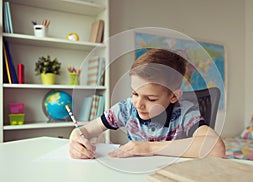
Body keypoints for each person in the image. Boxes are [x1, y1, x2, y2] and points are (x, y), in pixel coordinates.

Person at [69, 48, 225, 159]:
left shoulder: (184, 112)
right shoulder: (126, 109)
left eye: (151, 99)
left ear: (173, 96)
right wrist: (76, 138)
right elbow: (86, 130)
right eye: (135, 93)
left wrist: (148, 147)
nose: (138, 104)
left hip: (172, 178)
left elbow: (216, 148)